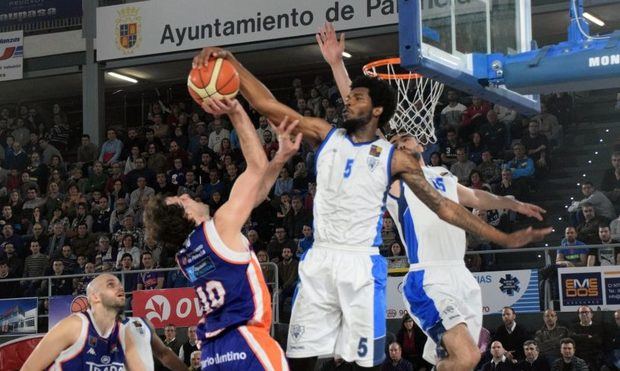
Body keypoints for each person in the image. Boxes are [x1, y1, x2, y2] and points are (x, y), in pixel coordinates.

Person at [191, 28, 548, 371]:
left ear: (377, 110)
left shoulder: (398, 160)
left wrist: (504, 235)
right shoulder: (325, 134)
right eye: (348, 98)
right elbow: (269, 104)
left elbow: (446, 206)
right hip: (323, 258)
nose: (347, 102)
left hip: (363, 264)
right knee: (299, 359)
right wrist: (234, 63)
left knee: (378, 362)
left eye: (357, 99)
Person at [144, 98, 299, 370]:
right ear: (187, 216)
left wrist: (281, 158)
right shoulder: (220, 227)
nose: (184, 195)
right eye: (181, 201)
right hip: (244, 341)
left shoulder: (186, 253)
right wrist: (235, 110)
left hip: (213, 353)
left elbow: (253, 195)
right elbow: (256, 167)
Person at [21, 274, 144, 370]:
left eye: (120, 284)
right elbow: (29, 368)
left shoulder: (126, 333)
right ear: (95, 297)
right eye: (111, 285)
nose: (120, 287)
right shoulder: (74, 326)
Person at [120, 316, 188, 371]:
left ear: (175, 332)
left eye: (171, 331)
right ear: (164, 332)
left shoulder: (141, 323)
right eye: (167, 330)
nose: (169, 332)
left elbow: (163, 355)